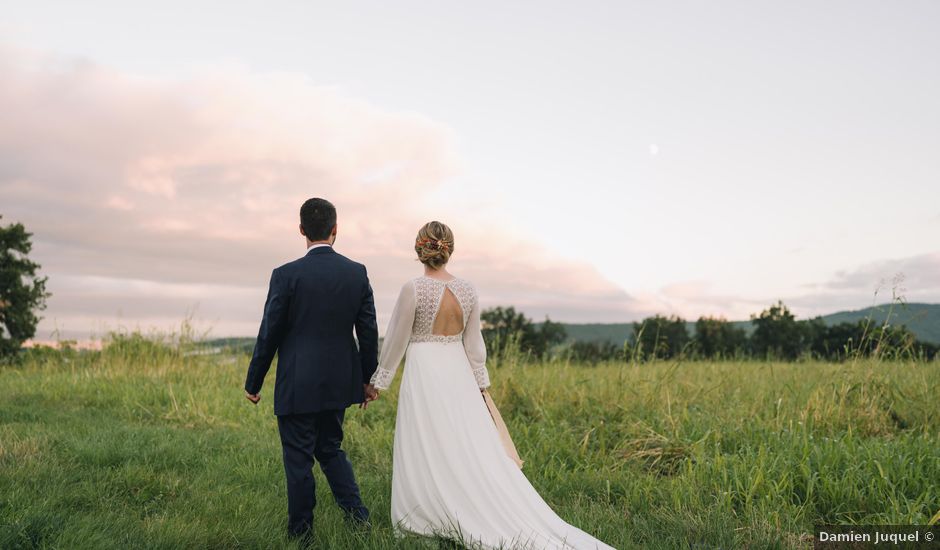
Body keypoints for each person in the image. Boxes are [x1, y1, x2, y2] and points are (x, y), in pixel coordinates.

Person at [369, 221, 614, 549]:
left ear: (419, 249)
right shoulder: (468, 290)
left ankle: (426, 514)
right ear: (449, 250)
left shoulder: (412, 289)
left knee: (427, 438)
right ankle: (457, 503)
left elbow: (397, 339)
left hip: (425, 370)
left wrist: (378, 382)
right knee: (464, 440)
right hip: (458, 372)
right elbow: (474, 344)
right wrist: (481, 386)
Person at [243, 198, 379, 540]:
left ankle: (302, 535)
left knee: (298, 458)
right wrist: (368, 379)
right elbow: (368, 331)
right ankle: (358, 519)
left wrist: (254, 381)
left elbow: (269, 331)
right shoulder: (356, 272)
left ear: (301, 230)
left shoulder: (286, 275)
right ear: (336, 230)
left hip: (297, 383)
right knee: (330, 448)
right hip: (339, 382)